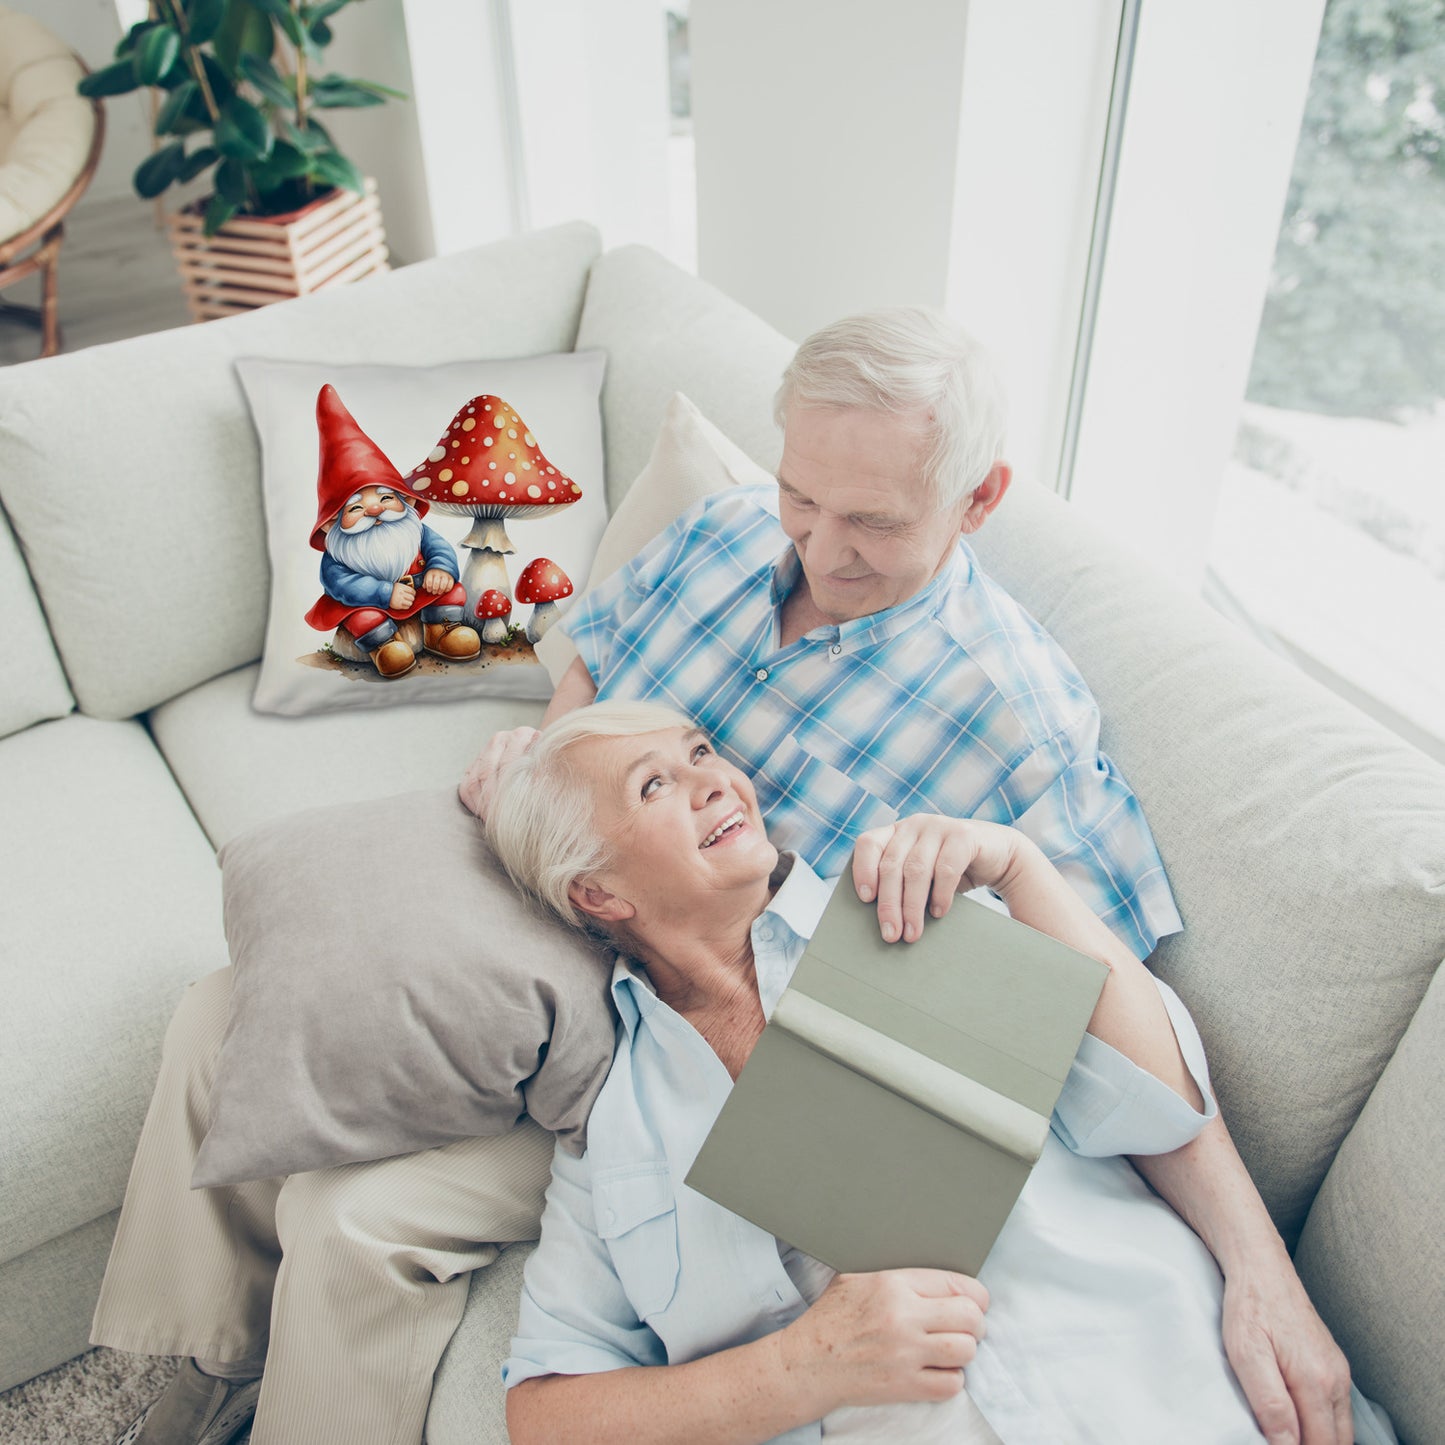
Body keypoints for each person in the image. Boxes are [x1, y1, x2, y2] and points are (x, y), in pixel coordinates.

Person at [94, 309, 1348, 1445]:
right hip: (581, 886)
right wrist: (546, 765)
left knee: (355, 1218)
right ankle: (192, 1363)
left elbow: (1103, 1020)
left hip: (693, 1012)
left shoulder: (1016, 724)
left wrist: (1260, 1266)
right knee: (229, 1007)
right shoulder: (727, 532)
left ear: (976, 501)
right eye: (804, 495)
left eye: (871, 520)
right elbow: (595, 666)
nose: (819, 545)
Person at [486, 701, 1383, 1445]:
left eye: (700, 752)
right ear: (597, 893)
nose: (715, 779)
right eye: (655, 784)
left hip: (1174, 1391)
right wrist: (803, 1367)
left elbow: (1158, 1106)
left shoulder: (909, 907)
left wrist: (1021, 869)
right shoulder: (614, 1132)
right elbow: (545, 1412)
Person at [305, 383, 481, 677]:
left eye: (386, 498)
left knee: (453, 590)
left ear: (407, 501)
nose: (375, 510)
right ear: (331, 523)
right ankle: (383, 646)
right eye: (356, 507)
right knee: (363, 618)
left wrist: (441, 569)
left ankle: (442, 630)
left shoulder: (414, 532)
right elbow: (343, 586)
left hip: (421, 591)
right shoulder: (339, 555)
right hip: (372, 602)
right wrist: (385, 593)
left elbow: (439, 548)